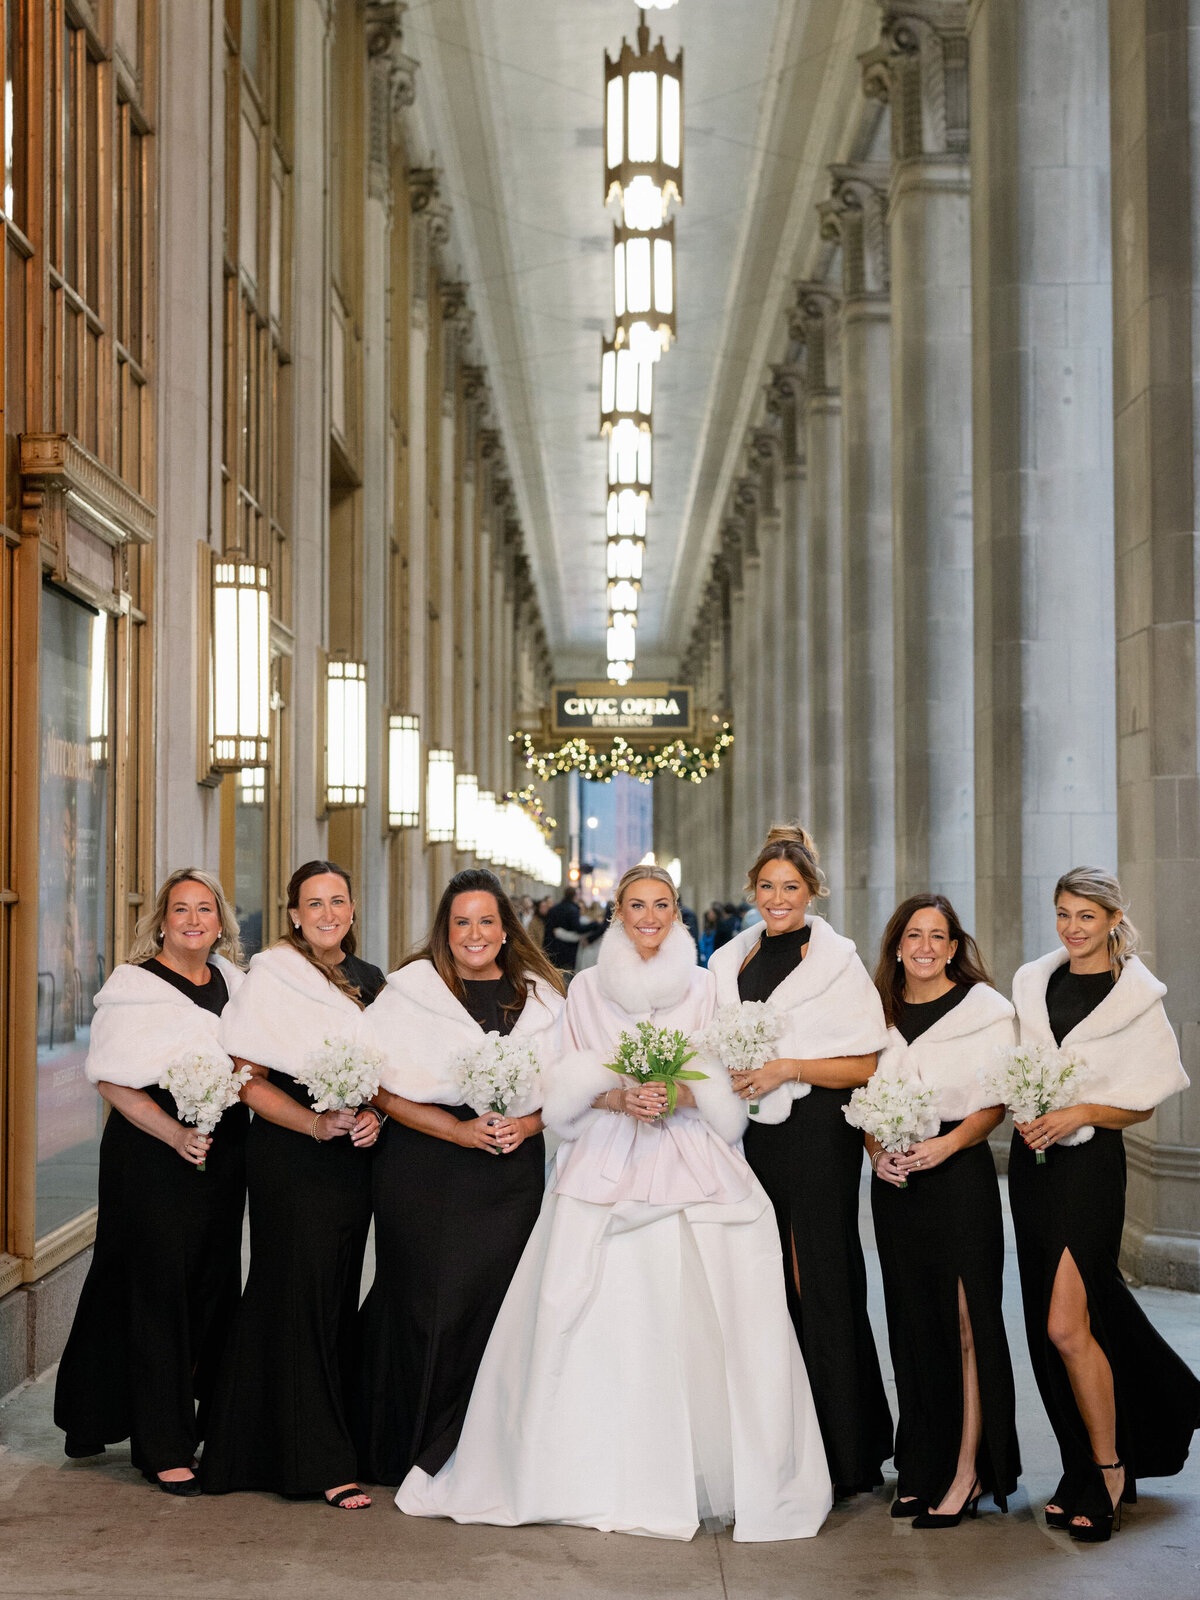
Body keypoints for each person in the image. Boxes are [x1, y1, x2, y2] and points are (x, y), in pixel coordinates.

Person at [397, 865, 831, 1542]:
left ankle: (705, 1469)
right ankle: (584, 1469)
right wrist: (618, 1096)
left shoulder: (705, 985)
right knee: (589, 1302)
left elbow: (721, 1073)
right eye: (636, 905)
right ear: (617, 914)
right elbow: (566, 1079)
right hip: (606, 1152)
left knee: (706, 1304)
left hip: (690, 1152)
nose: (650, 916)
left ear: (677, 913)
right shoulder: (588, 988)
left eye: (662, 905)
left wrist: (681, 1094)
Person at [356, 869, 565, 1485]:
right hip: (425, 1166)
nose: (475, 933)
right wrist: (459, 1131)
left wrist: (526, 1128)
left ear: (506, 929)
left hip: (509, 1174)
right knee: (425, 1305)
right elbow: (384, 1089)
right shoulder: (411, 992)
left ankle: (476, 1452)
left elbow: (571, 1085)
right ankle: (402, 1448)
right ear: (445, 932)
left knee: (493, 1307)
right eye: (461, 922)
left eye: (486, 921)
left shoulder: (544, 999)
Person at [1009, 867, 1199, 1543]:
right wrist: (1026, 1108)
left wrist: (1082, 1111)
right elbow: (1018, 1066)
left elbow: (1145, 1097)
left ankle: (1112, 1466)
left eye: (1085, 916)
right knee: (1050, 1324)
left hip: (1089, 1168)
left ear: (1113, 919)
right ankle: (1077, 1466)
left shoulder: (1135, 997)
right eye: (1062, 914)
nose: (1071, 928)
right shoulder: (1036, 981)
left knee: (1068, 1325)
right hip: (1032, 1163)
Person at [708, 824, 892, 1495]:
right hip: (754, 1137)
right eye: (767, 886)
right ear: (751, 890)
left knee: (821, 1274)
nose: (778, 897)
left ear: (812, 890)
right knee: (769, 1284)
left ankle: (847, 1449)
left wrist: (788, 1065)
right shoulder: (731, 960)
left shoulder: (836, 963)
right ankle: (784, 1443)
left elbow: (865, 1060)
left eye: (791, 886)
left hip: (818, 1134)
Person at [54, 870, 248, 1496]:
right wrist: (173, 1135)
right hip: (151, 1153)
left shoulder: (236, 985)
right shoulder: (134, 988)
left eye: (205, 909)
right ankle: (161, 1443)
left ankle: (93, 1411)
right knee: (156, 1288)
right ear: (161, 922)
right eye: (180, 910)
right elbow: (111, 1079)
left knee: (209, 1283)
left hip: (222, 1154)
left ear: (222, 922)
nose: (193, 920)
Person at [200, 861, 385, 1511]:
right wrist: (313, 1121)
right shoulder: (273, 974)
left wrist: (373, 1116)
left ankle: (242, 1445)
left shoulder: (370, 981)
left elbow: (385, 1077)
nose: (328, 912)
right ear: (294, 914)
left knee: (327, 1297)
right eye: (315, 902)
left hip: (350, 1164)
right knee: (296, 1292)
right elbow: (245, 1078)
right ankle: (320, 1464)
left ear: (353, 910)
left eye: (339, 900)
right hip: (289, 1154)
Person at [867, 894, 1021, 1527]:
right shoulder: (876, 1012)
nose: (925, 946)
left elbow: (996, 1101)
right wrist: (877, 1150)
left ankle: (967, 1469)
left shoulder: (986, 1010)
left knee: (965, 1322)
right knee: (909, 1317)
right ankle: (920, 1462)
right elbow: (860, 1096)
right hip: (896, 1181)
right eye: (913, 935)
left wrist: (945, 1146)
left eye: (938, 936)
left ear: (954, 947)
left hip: (957, 1175)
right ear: (898, 944)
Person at [541, 885, 589, 971]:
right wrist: (594, 924)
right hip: (569, 950)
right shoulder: (574, 910)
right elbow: (578, 928)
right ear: (575, 896)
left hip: (553, 949)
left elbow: (547, 930)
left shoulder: (554, 909)